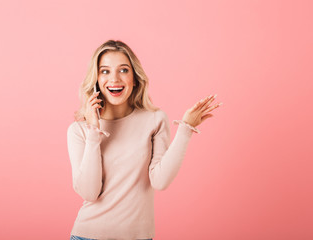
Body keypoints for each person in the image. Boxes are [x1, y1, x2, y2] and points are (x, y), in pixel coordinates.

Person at [67, 40, 222, 240]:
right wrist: (94, 130)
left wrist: (185, 130)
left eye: (123, 70)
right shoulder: (79, 130)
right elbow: (89, 192)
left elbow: (160, 181)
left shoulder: (155, 120)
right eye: (105, 71)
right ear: (96, 78)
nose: (114, 78)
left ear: (135, 77)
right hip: (87, 236)